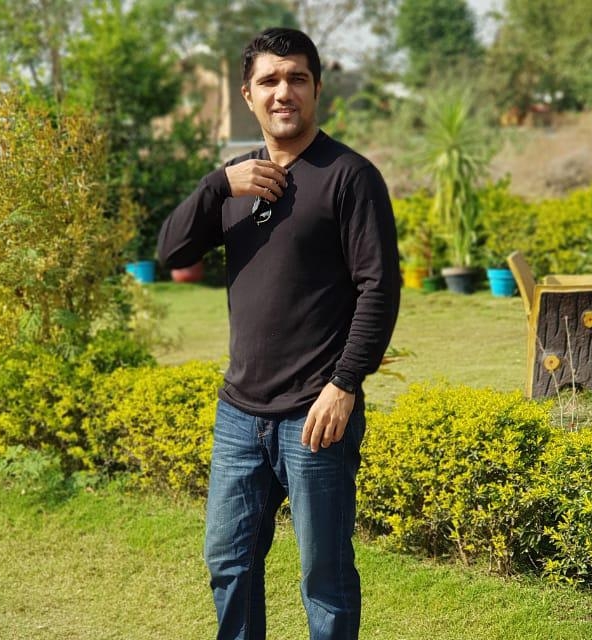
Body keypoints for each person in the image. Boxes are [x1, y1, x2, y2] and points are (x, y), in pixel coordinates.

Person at [158, 27, 401, 640]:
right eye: (269, 80)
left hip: (315, 416)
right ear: (248, 95)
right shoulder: (236, 179)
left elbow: (379, 288)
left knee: (324, 575)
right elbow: (172, 252)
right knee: (228, 561)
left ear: (317, 88)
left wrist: (344, 385)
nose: (282, 92)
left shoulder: (349, 176)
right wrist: (220, 185)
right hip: (239, 414)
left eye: (296, 78)